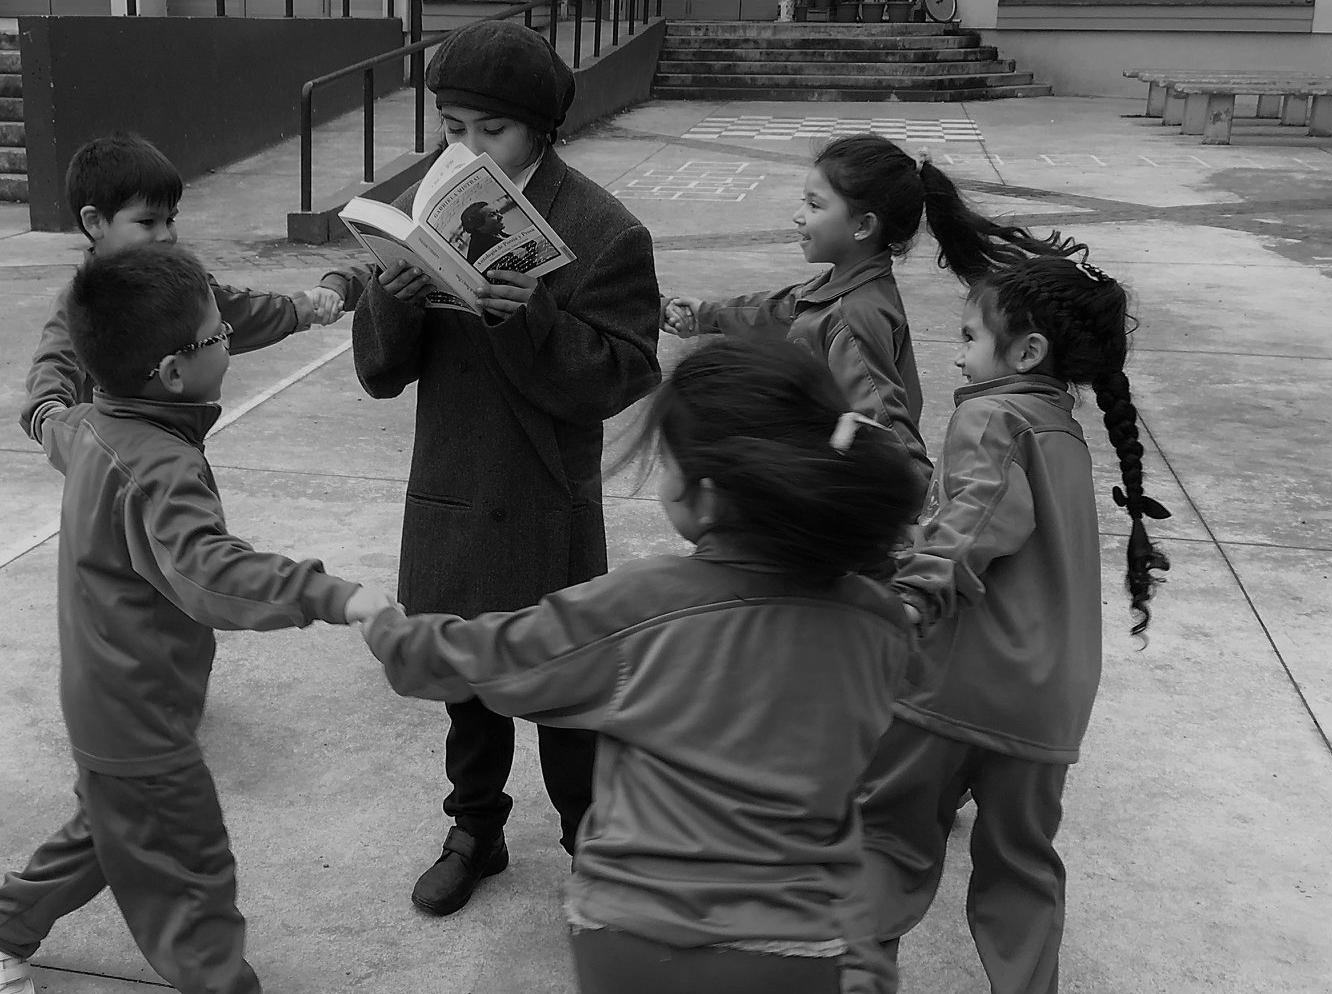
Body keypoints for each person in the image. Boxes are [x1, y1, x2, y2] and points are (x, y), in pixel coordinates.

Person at [356, 338, 923, 993]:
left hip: (635, 939)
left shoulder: (642, 606)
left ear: (706, 498)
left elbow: (498, 658)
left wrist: (394, 634)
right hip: (798, 946)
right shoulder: (879, 622)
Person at [0, 243, 395, 994]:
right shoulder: (162, 465)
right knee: (191, 882)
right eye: (220, 335)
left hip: (105, 697)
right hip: (141, 714)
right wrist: (331, 595)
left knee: (112, 832)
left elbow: (49, 414)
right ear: (174, 372)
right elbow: (205, 569)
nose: (229, 342)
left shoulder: (92, 425)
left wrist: (49, 393)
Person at [316, 20, 661, 917]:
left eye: (489, 132)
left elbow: (623, 371)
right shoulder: (438, 208)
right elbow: (383, 375)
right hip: (455, 484)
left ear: (541, 132)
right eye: (453, 127)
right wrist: (391, 297)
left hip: (544, 495)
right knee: (465, 680)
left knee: (563, 687)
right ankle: (476, 828)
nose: (466, 150)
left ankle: (592, 839)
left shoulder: (602, 230)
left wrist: (533, 318)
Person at [857, 256, 1173, 994]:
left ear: (1026, 352)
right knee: (1021, 863)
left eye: (969, 335)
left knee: (888, 841)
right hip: (1048, 703)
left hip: (954, 685)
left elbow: (975, 517)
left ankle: (856, 980)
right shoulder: (1059, 428)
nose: (957, 350)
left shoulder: (990, 414)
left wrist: (912, 593)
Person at [660, 133, 1082, 505]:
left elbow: (884, 427)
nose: (798, 215)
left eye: (814, 204)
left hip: (836, 498)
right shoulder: (842, 288)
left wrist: (913, 513)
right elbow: (777, 309)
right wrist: (703, 314)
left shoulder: (853, 316)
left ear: (863, 225)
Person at [19, 132, 343, 444]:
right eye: (147, 222)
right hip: (112, 458)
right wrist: (57, 424)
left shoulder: (180, 283)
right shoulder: (84, 303)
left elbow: (237, 311)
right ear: (95, 222)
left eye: (170, 220)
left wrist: (302, 308)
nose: (165, 235)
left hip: (175, 445)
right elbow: (52, 370)